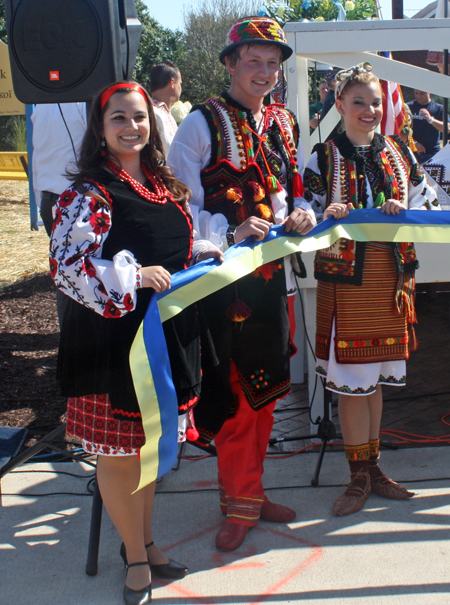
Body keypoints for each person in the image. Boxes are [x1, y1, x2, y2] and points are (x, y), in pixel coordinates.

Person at [49, 81, 222, 605]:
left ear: (153, 123)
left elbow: (172, 247)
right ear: (100, 129)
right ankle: (138, 561)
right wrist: (131, 276)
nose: (132, 127)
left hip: (162, 339)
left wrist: (213, 249)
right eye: (119, 118)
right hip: (112, 345)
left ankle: (143, 543)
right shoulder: (90, 191)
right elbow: (67, 266)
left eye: (140, 117)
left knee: (150, 451)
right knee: (122, 455)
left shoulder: (160, 183)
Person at [168, 16, 316, 552]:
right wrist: (229, 231)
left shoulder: (284, 122)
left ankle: (251, 492)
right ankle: (238, 502)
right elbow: (180, 210)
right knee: (234, 396)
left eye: (272, 62)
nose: (264, 71)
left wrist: (300, 214)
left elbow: (294, 190)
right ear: (229, 63)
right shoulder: (200, 124)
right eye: (252, 60)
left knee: (269, 387)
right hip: (225, 287)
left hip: (274, 280)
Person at [303, 63, 439, 517]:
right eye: (359, 101)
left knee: (374, 379)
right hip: (347, 281)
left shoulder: (401, 151)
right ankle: (357, 473)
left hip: (391, 279)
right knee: (352, 384)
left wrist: (407, 207)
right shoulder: (323, 155)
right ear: (339, 104)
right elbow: (303, 207)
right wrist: (327, 212)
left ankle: (372, 467)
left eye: (376, 102)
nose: (369, 110)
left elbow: (428, 199)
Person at [31, 102, 87, 236]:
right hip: (78, 201)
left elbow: (37, 154)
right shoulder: (83, 100)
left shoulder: (41, 105)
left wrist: (40, 199)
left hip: (49, 200)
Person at [150, 61, 182, 156]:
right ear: (172, 83)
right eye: (180, 83)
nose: (180, 88)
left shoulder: (164, 112)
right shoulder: (153, 113)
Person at [407, 89, 447, 163]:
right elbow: (403, 129)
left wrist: (431, 120)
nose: (418, 96)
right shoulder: (408, 107)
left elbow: (447, 128)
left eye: (422, 93)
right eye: (416, 93)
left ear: (429, 92)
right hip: (413, 151)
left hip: (433, 153)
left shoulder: (439, 108)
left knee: (433, 174)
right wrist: (415, 143)